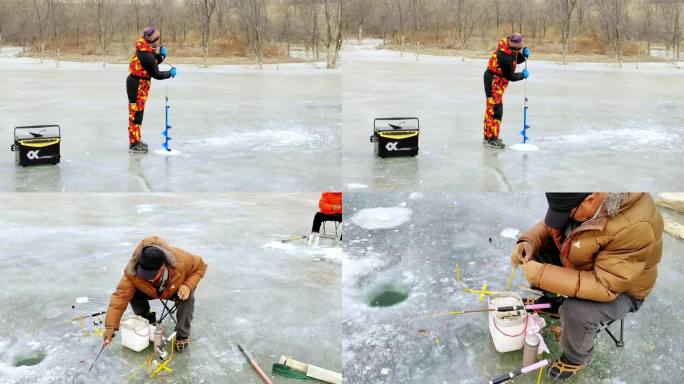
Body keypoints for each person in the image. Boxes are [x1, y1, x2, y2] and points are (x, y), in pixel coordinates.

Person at [511, 193, 663, 380]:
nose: (564, 218)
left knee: (576, 311)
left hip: (621, 290)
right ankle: (554, 303)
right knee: (533, 256)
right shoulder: (578, 200)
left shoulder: (635, 226)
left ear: (591, 199)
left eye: (568, 213)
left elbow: (605, 286)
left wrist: (542, 275)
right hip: (585, 264)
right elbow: (550, 224)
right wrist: (529, 242)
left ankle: (576, 357)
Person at [103, 236, 207, 352]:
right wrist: (110, 326)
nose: (148, 279)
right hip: (149, 291)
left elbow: (201, 266)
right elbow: (120, 296)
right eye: (143, 274)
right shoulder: (132, 272)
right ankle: (148, 319)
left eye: (151, 276)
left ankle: (182, 334)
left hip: (175, 289)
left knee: (187, 299)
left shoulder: (180, 260)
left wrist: (187, 285)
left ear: (163, 266)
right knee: (131, 292)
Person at [127, 27, 177, 153]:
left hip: (140, 84)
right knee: (136, 115)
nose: (158, 42)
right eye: (157, 39)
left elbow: (152, 63)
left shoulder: (144, 47)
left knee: (138, 114)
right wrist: (170, 73)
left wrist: (160, 56)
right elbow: (156, 73)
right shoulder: (146, 54)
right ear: (152, 40)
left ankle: (136, 140)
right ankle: (134, 144)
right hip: (137, 85)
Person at [482, 33, 530, 149]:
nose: (517, 52)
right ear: (512, 47)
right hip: (494, 82)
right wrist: (522, 75)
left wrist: (523, 56)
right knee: (495, 110)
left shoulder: (508, 48)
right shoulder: (504, 56)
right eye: (517, 50)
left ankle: (488, 136)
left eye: (519, 49)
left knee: (493, 108)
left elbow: (515, 58)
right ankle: (492, 139)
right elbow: (511, 76)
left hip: (499, 82)